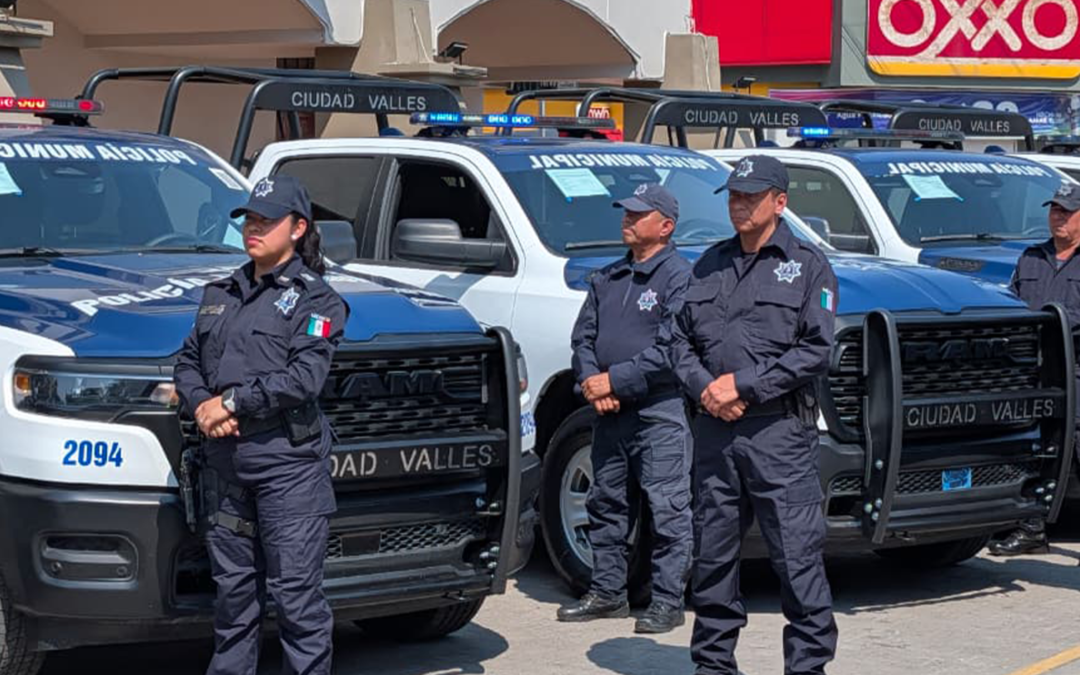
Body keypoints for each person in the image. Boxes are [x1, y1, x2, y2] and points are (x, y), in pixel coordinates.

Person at [669, 156, 838, 675]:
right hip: (715, 433)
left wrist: (742, 385)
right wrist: (707, 389)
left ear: (779, 202)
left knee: (797, 558)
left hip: (777, 434)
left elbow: (817, 350)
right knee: (714, 557)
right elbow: (677, 340)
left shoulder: (808, 265)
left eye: (751, 195)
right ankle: (713, 665)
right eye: (734, 195)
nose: (739, 204)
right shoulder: (709, 263)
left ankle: (807, 666)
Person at [174, 175, 348, 675]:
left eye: (266, 221)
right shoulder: (220, 293)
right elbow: (186, 361)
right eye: (249, 219)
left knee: (296, 602)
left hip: (287, 471)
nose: (253, 229)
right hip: (226, 469)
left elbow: (304, 378)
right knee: (233, 603)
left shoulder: (317, 300)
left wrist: (231, 403)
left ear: (298, 228)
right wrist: (204, 403)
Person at [558, 183, 694, 634]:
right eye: (626, 213)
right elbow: (582, 338)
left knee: (668, 508)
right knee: (606, 503)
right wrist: (593, 384)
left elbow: (672, 348)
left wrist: (613, 380)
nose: (628, 220)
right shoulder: (609, 277)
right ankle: (608, 593)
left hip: (658, 411)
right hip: (610, 411)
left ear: (665, 226)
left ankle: (667, 601)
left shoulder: (678, 277)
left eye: (638, 215)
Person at [989, 180, 1080, 557]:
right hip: (1034, 373)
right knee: (1036, 450)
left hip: (1075, 371)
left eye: (1067, 212)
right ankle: (1031, 528)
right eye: (1054, 210)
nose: (1058, 217)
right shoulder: (1030, 258)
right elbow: (1011, 305)